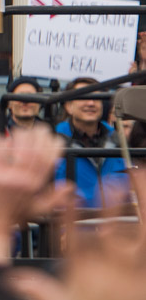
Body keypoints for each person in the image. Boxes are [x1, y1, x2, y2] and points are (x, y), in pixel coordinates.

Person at [54, 77, 128, 208]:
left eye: (96, 98)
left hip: (114, 223)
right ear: (69, 106)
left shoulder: (118, 139)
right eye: (83, 97)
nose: (91, 103)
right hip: (72, 224)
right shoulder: (53, 141)